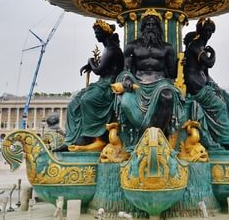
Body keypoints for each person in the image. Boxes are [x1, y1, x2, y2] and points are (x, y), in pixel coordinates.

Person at [115, 9, 184, 144]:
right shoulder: (132, 46)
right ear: (142, 28)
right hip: (138, 84)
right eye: (147, 25)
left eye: (154, 25)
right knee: (125, 103)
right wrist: (127, 79)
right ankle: (145, 135)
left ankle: (156, 137)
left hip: (161, 83)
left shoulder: (167, 48)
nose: (150, 28)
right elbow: (126, 70)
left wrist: (182, 65)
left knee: (167, 97)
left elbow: (172, 73)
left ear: (159, 27)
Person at [55, 20, 124, 152]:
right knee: (74, 103)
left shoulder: (112, 49)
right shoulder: (107, 49)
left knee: (87, 99)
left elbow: (98, 70)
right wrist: (92, 65)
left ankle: (91, 135)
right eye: (95, 33)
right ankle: (71, 138)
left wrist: (90, 61)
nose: (96, 36)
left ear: (105, 33)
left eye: (98, 33)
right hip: (100, 83)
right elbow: (101, 68)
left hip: (109, 85)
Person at [183, 18, 229, 150]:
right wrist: (213, 53)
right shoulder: (195, 46)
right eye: (206, 30)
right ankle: (226, 141)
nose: (208, 33)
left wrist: (214, 85)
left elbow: (205, 72)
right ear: (199, 31)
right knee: (221, 106)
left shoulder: (202, 48)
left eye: (211, 31)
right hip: (196, 87)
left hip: (205, 85)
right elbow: (209, 63)